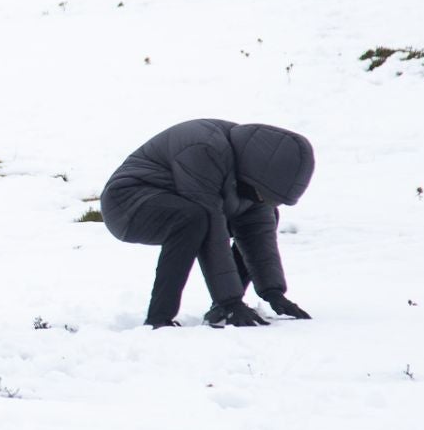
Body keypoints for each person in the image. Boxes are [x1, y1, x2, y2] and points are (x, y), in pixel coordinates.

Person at [99, 119, 315, 328]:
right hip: (127, 205)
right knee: (194, 219)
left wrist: (273, 292)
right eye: (265, 195)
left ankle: (222, 309)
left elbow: (257, 229)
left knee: (261, 216)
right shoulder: (204, 149)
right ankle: (159, 318)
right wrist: (229, 301)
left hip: (181, 204)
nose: (264, 200)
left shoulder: (250, 165)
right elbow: (212, 228)